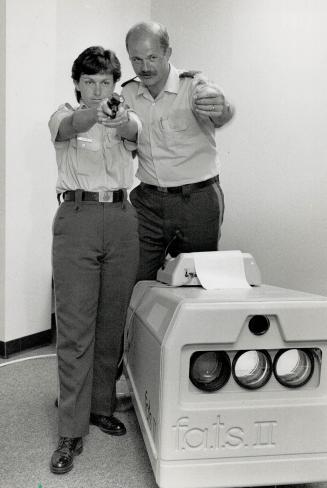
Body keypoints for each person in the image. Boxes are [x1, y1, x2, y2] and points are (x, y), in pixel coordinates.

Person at [48, 46, 140, 474]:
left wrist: (122, 120)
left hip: (122, 219)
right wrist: (93, 112)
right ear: (78, 85)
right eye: (90, 82)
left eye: (106, 82)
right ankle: (70, 427)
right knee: (75, 327)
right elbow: (71, 124)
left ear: (116, 84)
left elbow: (136, 132)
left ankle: (100, 405)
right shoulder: (65, 114)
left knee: (110, 322)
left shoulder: (126, 116)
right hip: (78, 219)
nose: (98, 90)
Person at [122, 21, 234, 281]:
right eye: (136, 59)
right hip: (147, 202)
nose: (145, 67)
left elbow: (222, 113)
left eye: (152, 57)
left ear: (168, 53)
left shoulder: (194, 85)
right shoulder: (128, 92)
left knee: (198, 281)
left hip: (197, 200)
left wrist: (223, 106)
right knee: (135, 279)